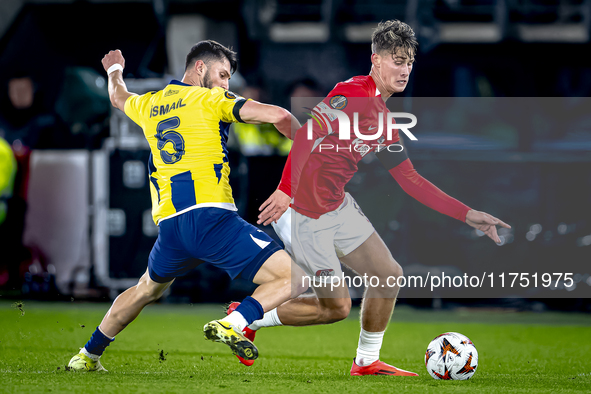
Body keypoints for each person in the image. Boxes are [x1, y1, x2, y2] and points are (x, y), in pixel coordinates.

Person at [239, 20, 511, 376]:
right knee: (335, 309)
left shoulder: (384, 119)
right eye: (397, 60)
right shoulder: (351, 93)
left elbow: (410, 180)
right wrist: (285, 190)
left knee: (387, 274)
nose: (405, 70)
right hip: (301, 210)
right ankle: (247, 318)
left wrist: (468, 214)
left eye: (410, 63)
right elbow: (307, 138)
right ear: (376, 60)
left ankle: (366, 361)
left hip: (336, 205)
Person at [68, 40, 303, 372]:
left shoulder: (150, 103)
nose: (226, 84)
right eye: (222, 75)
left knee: (145, 290)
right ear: (200, 68)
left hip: (171, 229)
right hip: (211, 219)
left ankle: (87, 355)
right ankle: (235, 322)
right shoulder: (211, 99)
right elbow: (278, 114)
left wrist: (114, 70)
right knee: (295, 278)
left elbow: (118, 97)